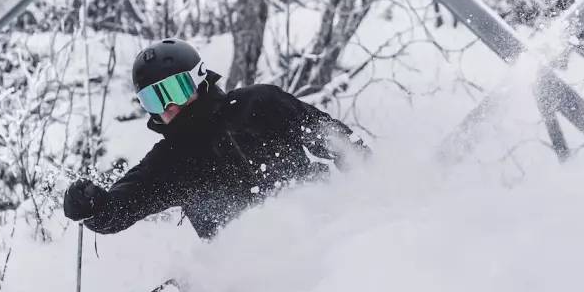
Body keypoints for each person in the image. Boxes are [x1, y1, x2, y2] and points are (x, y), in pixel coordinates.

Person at [63, 38, 368, 241]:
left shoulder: (259, 104)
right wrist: (95, 208)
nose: (169, 106)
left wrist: (371, 181)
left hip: (321, 232)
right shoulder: (169, 160)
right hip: (245, 268)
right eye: (154, 100)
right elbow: (122, 206)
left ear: (198, 79)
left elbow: (332, 137)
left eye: (174, 90)